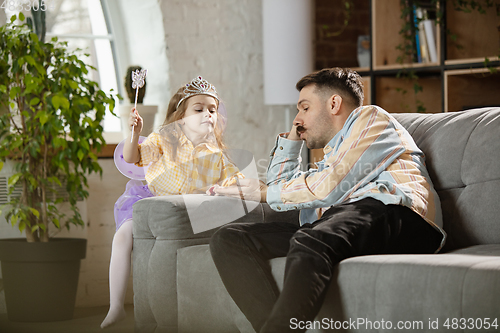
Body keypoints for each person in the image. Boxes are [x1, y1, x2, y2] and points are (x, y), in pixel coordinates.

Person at [209, 68, 446, 333]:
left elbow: (330, 186)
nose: (297, 118)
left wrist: (262, 193)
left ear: (334, 103)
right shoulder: (329, 159)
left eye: (304, 108)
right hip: (341, 222)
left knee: (310, 237)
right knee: (229, 239)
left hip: (398, 213)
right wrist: (292, 139)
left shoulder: (372, 119)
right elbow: (281, 190)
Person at [101, 76, 243, 329]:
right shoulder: (165, 140)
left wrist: (228, 187)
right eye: (198, 109)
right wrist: (134, 134)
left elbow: (236, 179)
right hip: (151, 199)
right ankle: (116, 307)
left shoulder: (215, 154)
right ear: (181, 116)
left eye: (212, 110)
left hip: (183, 209)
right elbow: (133, 157)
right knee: (123, 237)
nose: (207, 114)